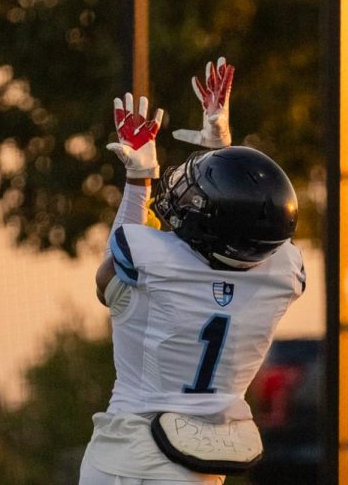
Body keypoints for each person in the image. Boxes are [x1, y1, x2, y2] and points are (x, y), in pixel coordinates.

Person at [79, 58, 307, 485]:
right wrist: (219, 149)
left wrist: (139, 179)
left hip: (124, 460)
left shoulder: (152, 263)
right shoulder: (281, 276)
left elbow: (114, 268)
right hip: (199, 466)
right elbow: (238, 224)